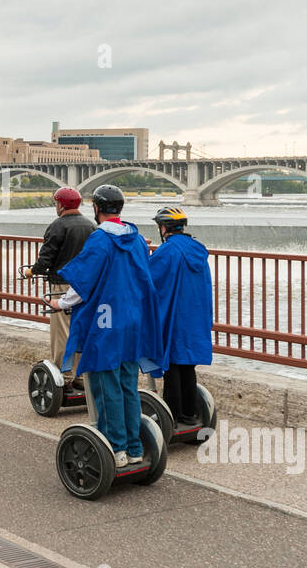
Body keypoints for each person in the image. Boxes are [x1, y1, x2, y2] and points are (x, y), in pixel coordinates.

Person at [47, 184, 163, 468]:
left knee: (105, 384)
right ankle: (135, 447)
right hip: (132, 321)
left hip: (105, 322)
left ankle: (116, 448)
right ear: (120, 209)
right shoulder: (136, 239)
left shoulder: (100, 240)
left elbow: (83, 282)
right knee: (127, 385)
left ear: (96, 209)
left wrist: (61, 304)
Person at [17, 186, 94, 389]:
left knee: (62, 332)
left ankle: (65, 376)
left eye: (56, 203)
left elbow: (45, 259)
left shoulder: (57, 226)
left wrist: (31, 272)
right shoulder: (91, 226)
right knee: (80, 329)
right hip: (86, 286)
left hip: (61, 285)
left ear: (61, 204)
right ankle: (80, 376)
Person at [148, 206, 213, 426]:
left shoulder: (167, 251)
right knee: (188, 365)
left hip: (175, 316)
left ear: (163, 227)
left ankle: (172, 416)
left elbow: (149, 281)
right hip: (195, 316)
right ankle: (190, 413)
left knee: (172, 365)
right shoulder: (198, 249)